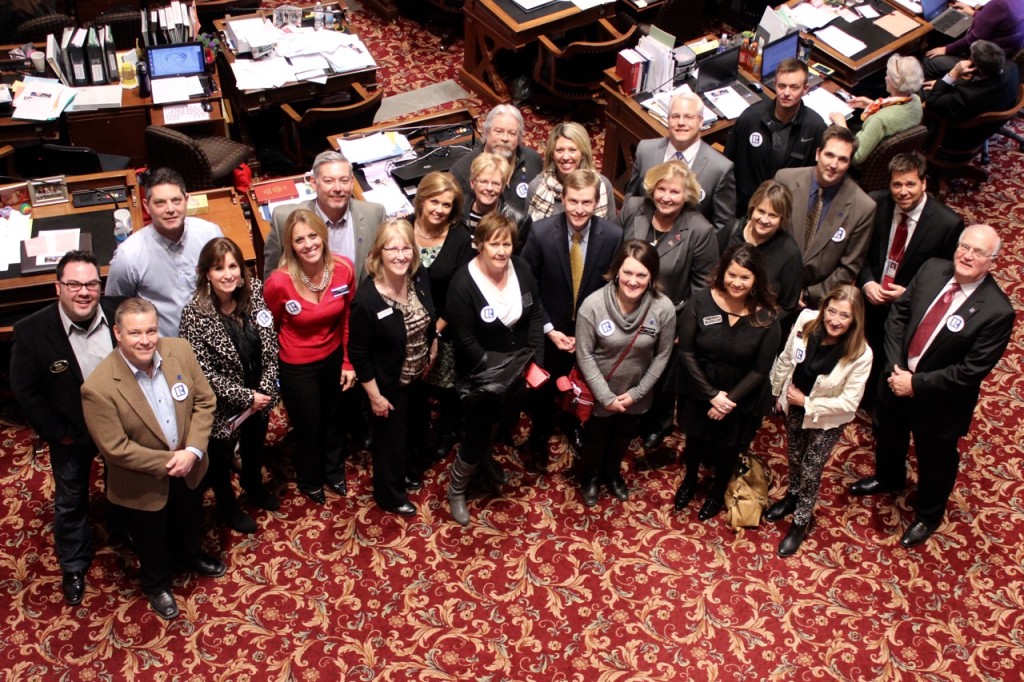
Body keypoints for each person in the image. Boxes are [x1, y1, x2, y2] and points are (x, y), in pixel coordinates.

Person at [849, 225, 1015, 548]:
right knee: (888, 433)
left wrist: (916, 384)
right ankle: (889, 477)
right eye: (964, 246)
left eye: (978, 252)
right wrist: (896, 367)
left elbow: (970, 371)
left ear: (993, 261)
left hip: (940, 401)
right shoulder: (932, 269)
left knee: (934, 459)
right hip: (897, 379)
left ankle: (928, 513)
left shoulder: (997, 312)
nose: (967, 255)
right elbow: (900, 313)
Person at [81, 298, 223, 621]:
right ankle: (156, 583)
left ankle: (191, 555)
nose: (145, 340)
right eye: (135, 333)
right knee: (151, 537)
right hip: (143, 483)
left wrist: (194, 451)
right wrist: (170, 462)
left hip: (190, 465)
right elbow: (115, 447)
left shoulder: (180, 351)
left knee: (189, 516)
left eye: (151, 330)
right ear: (117, 333)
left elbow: (204, 401)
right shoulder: (98, 387)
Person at [10, 251, 123, 606]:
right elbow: (26, 394)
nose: (84, 292)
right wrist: (59, 433)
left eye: (91, 284)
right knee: (71, 499)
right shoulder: (31, 332)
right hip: (70, 433)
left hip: (121, 427)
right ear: (57, 287)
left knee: (125, 484)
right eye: (74, 284)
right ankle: (74, 563)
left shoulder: (122, 312)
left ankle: (125, 534)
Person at [444, 213, 545, 525]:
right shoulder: (463, 283)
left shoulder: (522, 268)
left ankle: (485, 460)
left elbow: (535, 317)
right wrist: (497, 373)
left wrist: (535, 363)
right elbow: (464, 340)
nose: (502, 251)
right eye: (494, 244)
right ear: (480, 245)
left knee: (502, 424)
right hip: (482, 375)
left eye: (507, 243)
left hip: (518, 371)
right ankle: (456, 488)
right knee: (475, 433)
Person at [520, 169, 623, 468]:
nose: (579, 209)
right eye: (573, 201)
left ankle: (572, 425)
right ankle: (540, 433)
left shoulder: (614, 236)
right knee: (545, 388)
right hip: (549, 330)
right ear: (562, 199)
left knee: (580, 387)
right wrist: (549, 329)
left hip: (589, 334)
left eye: (586, 203)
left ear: (596, 203)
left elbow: (613, 289)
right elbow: (529, 287)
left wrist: (588, 333)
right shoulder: (540, 233)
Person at [179, 237, 280, 535]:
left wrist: (263, 392)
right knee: (220, 461)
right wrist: (246, 396)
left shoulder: (256, 293)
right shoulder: (194, 314)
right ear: (206, 273)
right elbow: (202, 373)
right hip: (221, 406)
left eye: (233, 266)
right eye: (219, 268)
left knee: (254, 446)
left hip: (260, 397)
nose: (228, 274)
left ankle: (253, 484)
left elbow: (270, 346)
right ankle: (227, 505)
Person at [674, 244, 780, 521]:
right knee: (695, 440)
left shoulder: (767, 317)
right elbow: (686, 351)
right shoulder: (700, 301)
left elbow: (760, 370)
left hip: (742, 396)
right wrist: (711, 395)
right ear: (722, 273)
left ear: (756, 279)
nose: (737, 282)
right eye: (732, 275)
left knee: (728, 448)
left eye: (745, 277)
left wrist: (727, 401)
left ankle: (717, 491)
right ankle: (689, 481)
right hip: (700, 387)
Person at [620, 160, 719, 455]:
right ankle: (627, 415)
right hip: (626, 305)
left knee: (661, 373)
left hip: (670, 315)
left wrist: (685, 325)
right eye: (661, 189)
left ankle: (657, 424)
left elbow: (704, 288)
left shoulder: (700, 230)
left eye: (674, 192)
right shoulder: (632, 208)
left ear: (686, 195)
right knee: (628, 364)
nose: (665, 197)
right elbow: (615, 253)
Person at [766, 285, 872, 556]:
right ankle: (792, 495)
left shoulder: (861, 354)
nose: (835, 321)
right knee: (793, 454)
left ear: (855, 319)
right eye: (832, 311)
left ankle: (801, 521)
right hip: (795, 404)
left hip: (828, 419)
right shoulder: (806, 321)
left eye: (844, 316)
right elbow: (788, 358)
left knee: (811, 468)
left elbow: (850, 402)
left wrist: (809, 403)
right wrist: (776, 391)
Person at [263, 209, 358, 505]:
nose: (308, 244)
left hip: (332, 357)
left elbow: (346, 318)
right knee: (308, 423)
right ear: (291, 245)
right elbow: (270, 326)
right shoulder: (279, 282)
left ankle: (333, 470)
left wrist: (347, 361)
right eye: (299, 240)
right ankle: (309, 477)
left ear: (323, 235)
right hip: (296, 364)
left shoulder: (344, 269)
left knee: (333, 418)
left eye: (313, 236)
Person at [856, 153, 963, 410]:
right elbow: (857, 252)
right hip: (868, 296)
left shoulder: (947, 224)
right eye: (897, 184)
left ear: (924, 183)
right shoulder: (875, 203)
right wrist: (867, 282)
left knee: (889, 359)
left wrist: (910, 293)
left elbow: (948, 277)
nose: (903, 192)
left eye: (910, 184)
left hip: (907, 308)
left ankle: (875, 403)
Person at [574, 240, 676, 506]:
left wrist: (637, 394)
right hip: (600, 393)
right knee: (595, 441)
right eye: (628, 272)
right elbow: (584, 354)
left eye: (641, 274)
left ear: (652, 276)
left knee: (622, 439)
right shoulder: (592, 305)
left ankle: (612, 473)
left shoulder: (663, 308)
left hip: (637, 395)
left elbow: (663, 354)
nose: (633, 280)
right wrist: (605, 396)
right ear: (617, 271)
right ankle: (591, 477)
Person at [349, 220, 437, 516]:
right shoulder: (367, 300)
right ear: (378, 254)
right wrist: (375, 397)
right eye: (392, 249)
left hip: (418, 378)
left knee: (413, 433)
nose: (401, 256)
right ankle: (389, 494)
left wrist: (433, 344)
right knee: (389, 445)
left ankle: (406, 473)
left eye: (406, 248)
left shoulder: (419, 278)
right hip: (387, 386)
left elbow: (429, 316)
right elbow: (358, 355)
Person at [105, 168, 223, 337]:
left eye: (176, 200)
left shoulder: (210, 235)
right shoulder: (128, 257)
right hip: (164, 350)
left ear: (186, 200)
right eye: (160, 203)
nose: (170, 209)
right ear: (147, 206)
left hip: (215, 340)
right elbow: (115, 310)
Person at [776, 125, 876, 310]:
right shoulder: (785, 180)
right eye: (829, 155)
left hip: (813, 301)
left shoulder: (863, 207)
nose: (833, 165)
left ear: (849, 164)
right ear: (817, 154)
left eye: (842, 159)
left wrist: (808, 294)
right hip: (772, 283)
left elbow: (848, 268)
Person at [412, 172, 474, 464]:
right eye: (434, 201)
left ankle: (447, 433)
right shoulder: (401, 228)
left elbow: (460, 292)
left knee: (448, 388)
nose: (439, 209)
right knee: (414, 388)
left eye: (446, 205)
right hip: (405, 328)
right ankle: (418, 430)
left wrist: (434, 331)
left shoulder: (460, 237)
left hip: (444, 326)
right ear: (422, 199)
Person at [263, 150, 386, 283]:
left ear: (351, 183)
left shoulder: (374, 215)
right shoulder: (284, 219)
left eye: (344, 180)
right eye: (329, 181)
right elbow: (271, 280)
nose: (338, 188)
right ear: (314, 183)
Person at [725, 58, 827, 214]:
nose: (786, 93)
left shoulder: (815, 128)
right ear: (774, 85)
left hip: (788, 212)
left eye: (794, 87)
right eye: (782, 86)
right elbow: (728, 163)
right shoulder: (750, 118)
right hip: (745, 209)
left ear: (805, 89)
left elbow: (817, 178)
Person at [625, 92, 737, 233]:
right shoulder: (645, 150)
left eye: (689, 117)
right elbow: (631, 198)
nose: (681, 123)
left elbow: (723, 225)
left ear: (701, 121)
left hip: (687, 248)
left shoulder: (720, 168)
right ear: (668, 119)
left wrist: (699, 249)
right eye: (675, 116)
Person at [717, 180, 803, 331]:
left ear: (782, 218)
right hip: (717, 319)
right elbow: (710, 274)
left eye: (772, 215)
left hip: (755, 330)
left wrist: (758, 322)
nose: (764, 220)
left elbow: (788, 305)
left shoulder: (789, 252)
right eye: (761, 211)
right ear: (752, 208)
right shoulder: (731, 230)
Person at [828, 54, 924, 167]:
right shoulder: (916, 101)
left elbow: (856, 156)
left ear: (894, 82)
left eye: (888, 74)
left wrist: (841, 125)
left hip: (867, 162)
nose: (885, 77)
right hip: (891, 157)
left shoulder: (879, 120)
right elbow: (897, 113)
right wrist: (871, 104)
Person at [450, 104, 543, 214]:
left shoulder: (533, 160)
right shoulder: (461, 171)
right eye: (499, 131)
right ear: (487, 131)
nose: (504, 138)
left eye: (512, 133)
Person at [526, 121, 615, 222]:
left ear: (583, 154)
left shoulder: (602, 185)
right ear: (552, 155)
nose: (566, 157)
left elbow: (610, 229)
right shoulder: (536, 187)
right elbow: (528, 232)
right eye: (560, 150)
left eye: (572, 150)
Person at [924, 40, 1020, 129]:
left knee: (922, 91)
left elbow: (932, 102)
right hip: (991, 107)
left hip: (957, 132)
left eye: (970, 58)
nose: (968, 58)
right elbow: (975, 85)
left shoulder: (968, 97)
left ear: (976, 68)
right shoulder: (1012, 68)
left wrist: (953, 74)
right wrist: (947, 84)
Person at [923, 0, 1024, 78]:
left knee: (928, 60)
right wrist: (974, 13)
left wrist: (946, 49)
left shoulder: (999, 5)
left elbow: (972, 40)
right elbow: (996, 19)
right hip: (1001, 59)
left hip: (982, 64)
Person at [461, 152, 533, 248]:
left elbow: (518, 259)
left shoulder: (519, 220)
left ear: (503, 187)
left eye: (496, 183)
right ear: (472, 183)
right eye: (483, 181)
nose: (489, 188)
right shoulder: (458, 208)